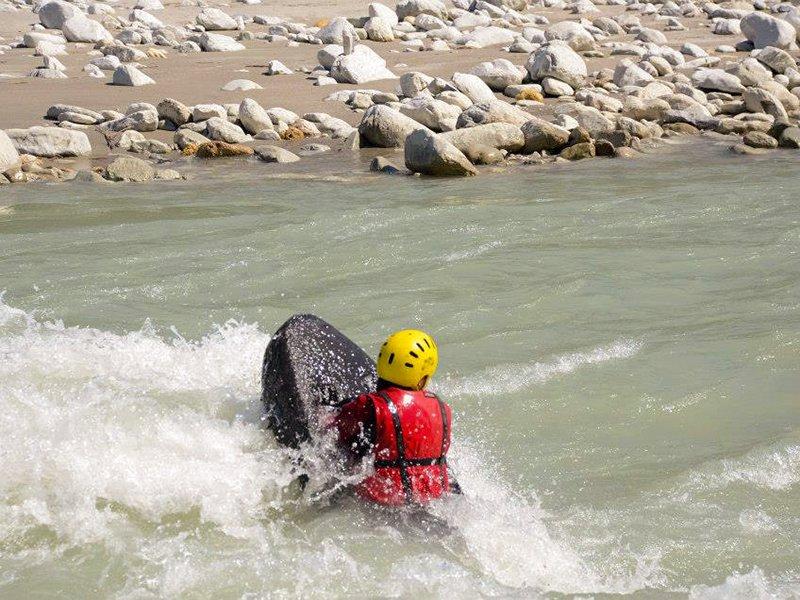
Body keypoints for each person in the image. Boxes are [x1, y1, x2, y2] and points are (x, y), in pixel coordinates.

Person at [335, 329, 458, 506]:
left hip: (382, 504)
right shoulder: (443, 409)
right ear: (422, 379)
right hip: (434, 503)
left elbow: (336, 429)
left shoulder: (371, 405)